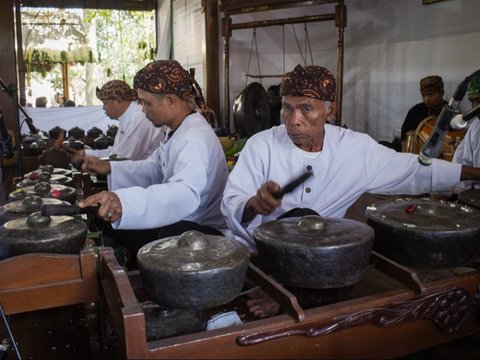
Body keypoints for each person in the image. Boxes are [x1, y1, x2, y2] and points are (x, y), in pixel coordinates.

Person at [221, 64, 480, 318]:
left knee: (325, 229)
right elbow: (232, 202)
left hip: (320, 260)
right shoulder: (261, 145)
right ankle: (278, 287)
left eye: (306, 109)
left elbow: (414, 169)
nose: (293, 120)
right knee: (299, 217)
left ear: (330, 111)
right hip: (261, 253)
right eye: (287, 108)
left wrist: (472, 174)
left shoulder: (355, 149)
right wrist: (255, 204)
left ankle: (289, 291)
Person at [78, 60, 229, 264]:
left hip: (200, 229)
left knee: (149, 236)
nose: (143, 110)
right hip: (182, 219)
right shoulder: (177, 130)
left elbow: (184, 193)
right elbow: (154, 167)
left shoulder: (194, 137)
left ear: (170, 101)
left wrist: (124, 202)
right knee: (110, 224)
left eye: (147, 103)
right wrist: (111, 167)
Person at [73, 80, 164, 162]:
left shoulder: (138, 117)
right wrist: (86, 154)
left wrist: (91, 160)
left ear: (117, 101)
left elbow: (123, 158)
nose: (104, 108)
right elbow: (115, 151)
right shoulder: (128, 116)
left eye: (105, 103)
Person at [400, 75, 447, 151]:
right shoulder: (415, 111)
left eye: (431, 95)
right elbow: (404, 139)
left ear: (442, 93)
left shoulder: (451, 112)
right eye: (423, 95)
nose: (426, 99)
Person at [452, 71, 480, 190]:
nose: (474, 108)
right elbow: (459, 165)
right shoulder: (476, 126)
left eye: (479, 101)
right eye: (471, 101)